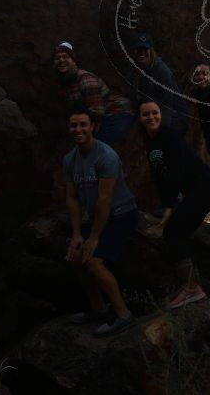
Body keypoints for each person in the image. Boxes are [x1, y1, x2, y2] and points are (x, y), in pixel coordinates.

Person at [138, 99, 210, 309]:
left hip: (206, 187)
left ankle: (193, 289)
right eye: (146, 114)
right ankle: (193, 285)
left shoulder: (169, 137)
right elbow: (159, 176)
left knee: (173, 233)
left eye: (155, 113)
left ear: (161, 113)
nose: (151, 117)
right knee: (179, 232)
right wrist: (165, 203)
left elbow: (174, 172)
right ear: (139, 118)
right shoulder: (150, 142)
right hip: (195, 191)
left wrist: (169, 205)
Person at [63, 106, 139, 336]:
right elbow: (72, 198)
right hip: (96, 216)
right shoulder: (70, 159)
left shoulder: (106, 156)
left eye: (83, 125)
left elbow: (105, 199)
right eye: (74, 125)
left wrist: (94, 238)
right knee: (75, 257)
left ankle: (123, 314)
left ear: (93, 127)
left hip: (121, 214)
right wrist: (77, 234)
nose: (78, 129)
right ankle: (98, 309)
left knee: (94, 261)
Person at [54, 41, 135, 146]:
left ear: (73, 61)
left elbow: (97, 112)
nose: (61, 60)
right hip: (100, 117)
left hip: (117, 113)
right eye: (58, 58)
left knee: (96, 146)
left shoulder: (85, 79)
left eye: (65, 57)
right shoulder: (66, 84)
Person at [130, 32, 189, 137]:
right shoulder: (136, 71)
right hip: (153, 117)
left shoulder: (161, 71)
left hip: (174, 121)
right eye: (138, 49)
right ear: (133, 52)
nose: (142, 53)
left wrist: (161, 134)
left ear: (151, 51)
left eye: (145, 49)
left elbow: (167, 105)